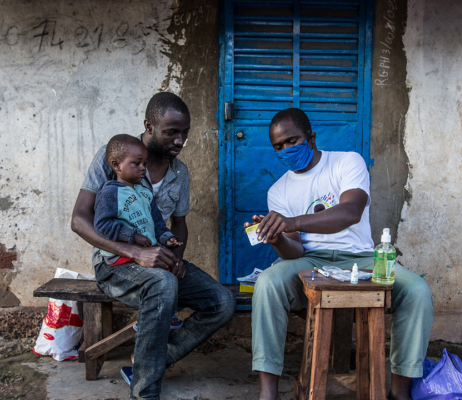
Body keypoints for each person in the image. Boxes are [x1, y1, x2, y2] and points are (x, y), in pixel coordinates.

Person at [245, 108, 433, 400]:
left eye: (292, 141)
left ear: (311, 137)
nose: (286, 150)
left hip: (361, 258)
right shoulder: (278, 190)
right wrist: (277, 237)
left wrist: (293, 221)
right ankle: (268, 392)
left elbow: (351, 211)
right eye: (278, 146)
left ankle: (399, 391)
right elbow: (294, 249)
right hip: (311, 262)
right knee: (268, 284)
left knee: (417, 291)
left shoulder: (346, 161)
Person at [71, 92, 236, 400]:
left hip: (160, 265)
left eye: (185, 132)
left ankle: (149, 362)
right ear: (149, 125)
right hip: (115, 265)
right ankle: (145, 392)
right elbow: (80, 221)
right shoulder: (116, 156)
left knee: (222, 302)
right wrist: (136, 252)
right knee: (161, 283)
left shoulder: (180, 173)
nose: (180, 140)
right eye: (171, 132)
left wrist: (176, 258)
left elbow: (178, 225)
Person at [93, 134, 184, 333]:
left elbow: (158, 225)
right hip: (121, 258)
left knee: (169, 269)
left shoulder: (145, 193)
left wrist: (168, 239)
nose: (143, 168)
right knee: (160, 279)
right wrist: (132, 236)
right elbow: (101, 225)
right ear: (117, 165)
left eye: (144, 163)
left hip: (145, 255)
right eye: (137, 164)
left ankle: (160, 316)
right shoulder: (110, 192)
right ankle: (149, 321)